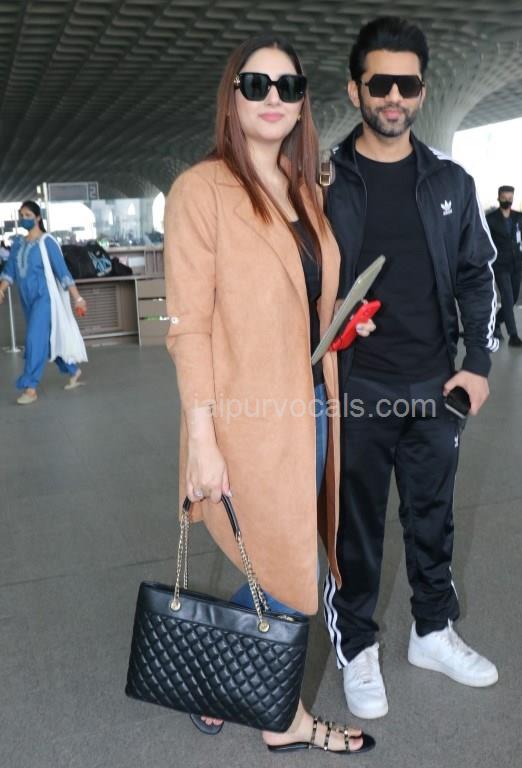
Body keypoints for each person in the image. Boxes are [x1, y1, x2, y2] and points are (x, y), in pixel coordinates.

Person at [163, 35, 375, 755]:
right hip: (246, 419)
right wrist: (202, 441)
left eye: (289, 86)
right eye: (257, 84)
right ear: (233, 97)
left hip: (310, 405)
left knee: (284, 557)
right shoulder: (201, 191)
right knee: (288, 564)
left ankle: (216, 674)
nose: (274, 98)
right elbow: (188, 327)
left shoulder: (302, 188)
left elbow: (304, 299)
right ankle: (283, 720)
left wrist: (340, 325)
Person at [322, 16, 499, 722]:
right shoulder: (325, 180)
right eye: (380, 84)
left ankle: (432, 631)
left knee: (433, 520)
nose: (393, 97)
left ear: (423, 91)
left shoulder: (450, 181)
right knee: (356, 527)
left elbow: (478, 275)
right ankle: (358, 647)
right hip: (356, 387)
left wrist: (477, 365)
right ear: (356, 89)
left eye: (407, 84)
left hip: (434, 385)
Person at [0, 201, 87, 405]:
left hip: (44, 299)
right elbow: (10, 271)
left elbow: (63, 272)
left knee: (33, 339)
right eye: (21, 215)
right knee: (45, 340)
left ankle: (30, 388)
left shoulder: (47, 242)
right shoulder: (18, 244)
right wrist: (2, 288)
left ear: (38, 217)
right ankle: (72, 369)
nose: (24, 219)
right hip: (27, 299)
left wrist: (78, 298)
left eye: (28, 215)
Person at [486, 185, 522, 347]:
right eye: (504, 198)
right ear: (498, 198)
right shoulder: (490, 219)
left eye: (510, 198)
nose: (507, 201)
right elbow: (484, 241)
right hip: (499, 265)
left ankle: (494, 324)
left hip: (516, 264)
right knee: (507, 298)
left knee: (513, 300)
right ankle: (513, 336)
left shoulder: (520, 218)